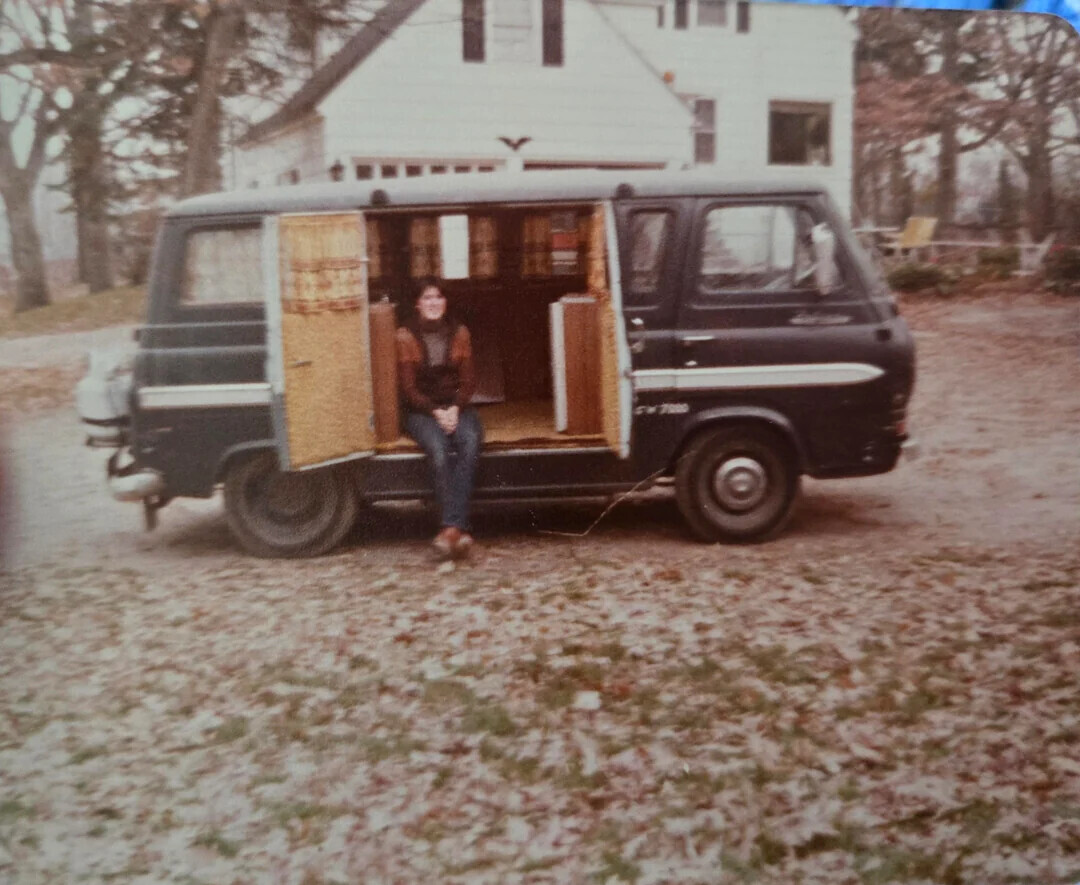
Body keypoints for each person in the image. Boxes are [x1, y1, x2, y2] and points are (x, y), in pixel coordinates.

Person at [396, 278, 484, 558]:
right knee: (439, 449)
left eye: (438, 298)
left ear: (445, 302)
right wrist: (436, 412)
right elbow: (409, 390)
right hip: (422, 410)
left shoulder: (459, 333)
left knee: (470, 441)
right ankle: (458, 528)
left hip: (455, 406)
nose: (433, 303)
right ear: (418, 304)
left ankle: (451, 529)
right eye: (427, 298)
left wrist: (455, 409)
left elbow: (469, 382)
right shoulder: (405, 336)